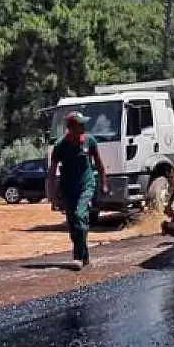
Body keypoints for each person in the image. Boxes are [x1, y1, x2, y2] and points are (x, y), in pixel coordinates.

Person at [47, 111, 109, 268]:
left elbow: (99, 164)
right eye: (80, 125)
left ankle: (77, 258)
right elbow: (52, 171)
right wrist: (52, 193)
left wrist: (103, 183)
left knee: (80, 215)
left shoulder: (90, 141)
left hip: (86, 185)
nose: (83, 127)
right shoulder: (60, 145)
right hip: (68, 188)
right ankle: (84, 254)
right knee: (73, 223)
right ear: (71, 128)